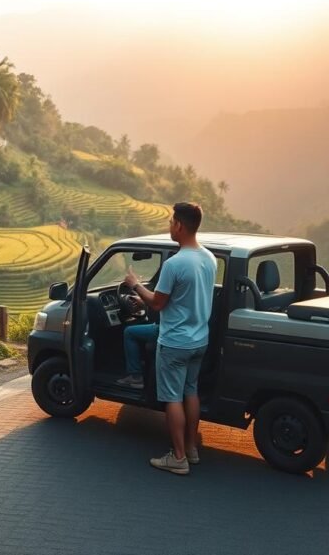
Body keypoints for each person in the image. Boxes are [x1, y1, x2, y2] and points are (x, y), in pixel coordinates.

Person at [122, 202, 217, 475]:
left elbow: (157, 303)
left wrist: (134, 284)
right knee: (191, 392)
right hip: (200, 339)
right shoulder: (208, 258)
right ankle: (190, 449)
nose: (169, 226)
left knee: (172, 399)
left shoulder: (175, 264)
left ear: (179, 225)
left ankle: (177, 458)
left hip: (175, 341)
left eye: (171, 221)